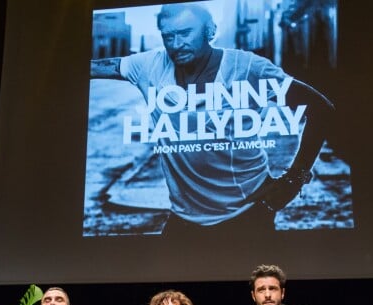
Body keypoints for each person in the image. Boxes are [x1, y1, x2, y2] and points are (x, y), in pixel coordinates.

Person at [90, 3, 335, 234]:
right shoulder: (149, 65)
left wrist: (294, 179)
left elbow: (320, 109)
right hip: (183, 219)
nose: (176, 44)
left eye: (185, 33)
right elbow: (93, 67)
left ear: (210, 31)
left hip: (247, 215)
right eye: (168, 36)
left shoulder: (247, 67)